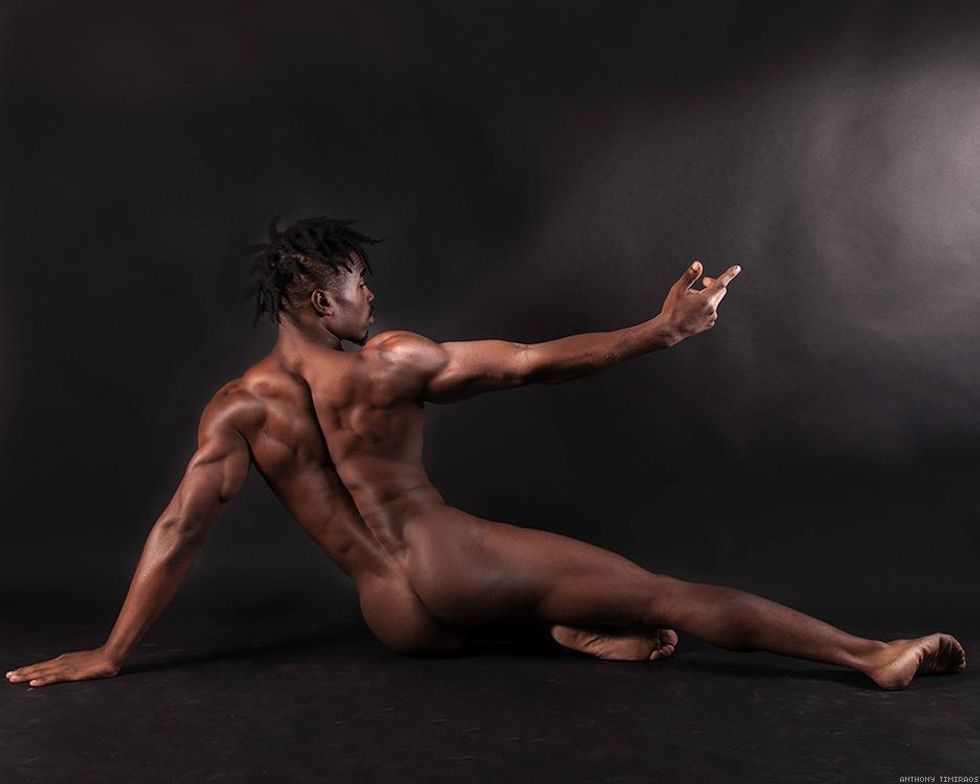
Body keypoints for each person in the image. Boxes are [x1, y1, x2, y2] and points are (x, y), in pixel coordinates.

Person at [6, 216, 966, 691]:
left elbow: (179, 528)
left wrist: (111, 653)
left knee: (547, 596)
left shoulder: (236, 408)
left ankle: (567, 629)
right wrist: (660, 332)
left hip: (392, 614)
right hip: (448, 560)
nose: (372, 298)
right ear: (319, 300)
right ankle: (870, 655)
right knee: (665, 593)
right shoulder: (387, 364)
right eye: (359, 284)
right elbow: (532, 363)